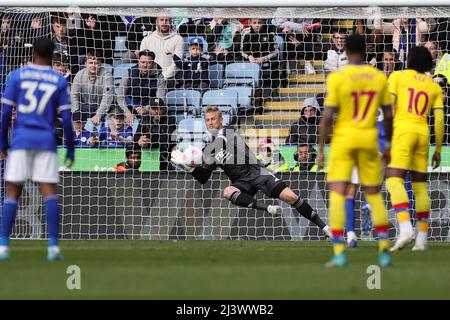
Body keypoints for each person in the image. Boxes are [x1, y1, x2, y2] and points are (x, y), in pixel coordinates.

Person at [171, 106, 331, 237]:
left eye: (213, 119)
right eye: (207, 120)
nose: (210, 122)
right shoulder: (209, 150)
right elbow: (203, 178)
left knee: (291, 197)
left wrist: (198, 156)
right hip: (241, 182)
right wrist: (190, 168)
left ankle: (326, 228)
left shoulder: (228, 131)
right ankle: (268, 208)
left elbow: (221, 141)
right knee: (227, 192)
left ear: (221, 120)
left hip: (258, 173)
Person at [318, 34, 394, 268]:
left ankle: (340, 253)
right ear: (366, 50)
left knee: (338, 194)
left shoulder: (338, 78)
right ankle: (383, 251)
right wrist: (388, 144)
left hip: (344, 140)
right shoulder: (378, 77)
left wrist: (321, 149)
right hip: (370, 138)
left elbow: (328, 117)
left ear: (346, 52)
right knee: (373, 194)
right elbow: (389, 115)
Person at [0, 38, 75, 261]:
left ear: (32, 52)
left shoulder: (18, 76)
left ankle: (3, 245)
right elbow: (68, 118)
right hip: (45, 140)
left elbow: (5, 113)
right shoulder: (58, 80)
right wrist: (70, 149)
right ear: (53, 54)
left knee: (12, 193)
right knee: (49, 193)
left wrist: (3, 143)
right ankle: (53, 248)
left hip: (21, 139)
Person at [386, 46, 444, 251]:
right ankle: (421, 239)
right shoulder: (433, 86)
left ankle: (404, 228)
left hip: (403, 131)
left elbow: (389, 108)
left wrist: (386, 138)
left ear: (409, 60)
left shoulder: (397, 77)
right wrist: (437, 148)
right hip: (422, 133)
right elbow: (438, 119)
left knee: (394, 180)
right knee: (420, 187)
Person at [71, 51, 124, 125]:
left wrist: (98, 115)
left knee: (110, 119)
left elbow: (107, 97)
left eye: (96, 63)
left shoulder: (107, 75)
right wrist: (76, 112)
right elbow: (74, 95)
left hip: (106, 107)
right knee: (72, 118)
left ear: (100, 64)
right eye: (90, 63)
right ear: (86, 64)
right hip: (86, 106)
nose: (93, 65)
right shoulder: (79, 75)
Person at [117, 50, 166, 117]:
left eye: (149, 63)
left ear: (153, 63)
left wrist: (147, 109)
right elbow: (120, 97)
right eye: (143, 62)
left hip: (150, 109)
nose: (145, 65)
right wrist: (128, 113)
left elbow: (160, 99)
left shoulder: (159, 77)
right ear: (138, 61)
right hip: (130, 107)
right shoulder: (129, 73)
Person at [134, 98, 177, 171]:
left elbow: (167, 138)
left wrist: (149, 141)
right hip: (147, 157)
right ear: (149, 109)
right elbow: (136, 136)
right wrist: (140, 140)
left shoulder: (170, 120)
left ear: (163, 109)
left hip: (165, 156)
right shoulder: (144, 119)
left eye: (159, 108)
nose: (157, 111)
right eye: (154, 108)